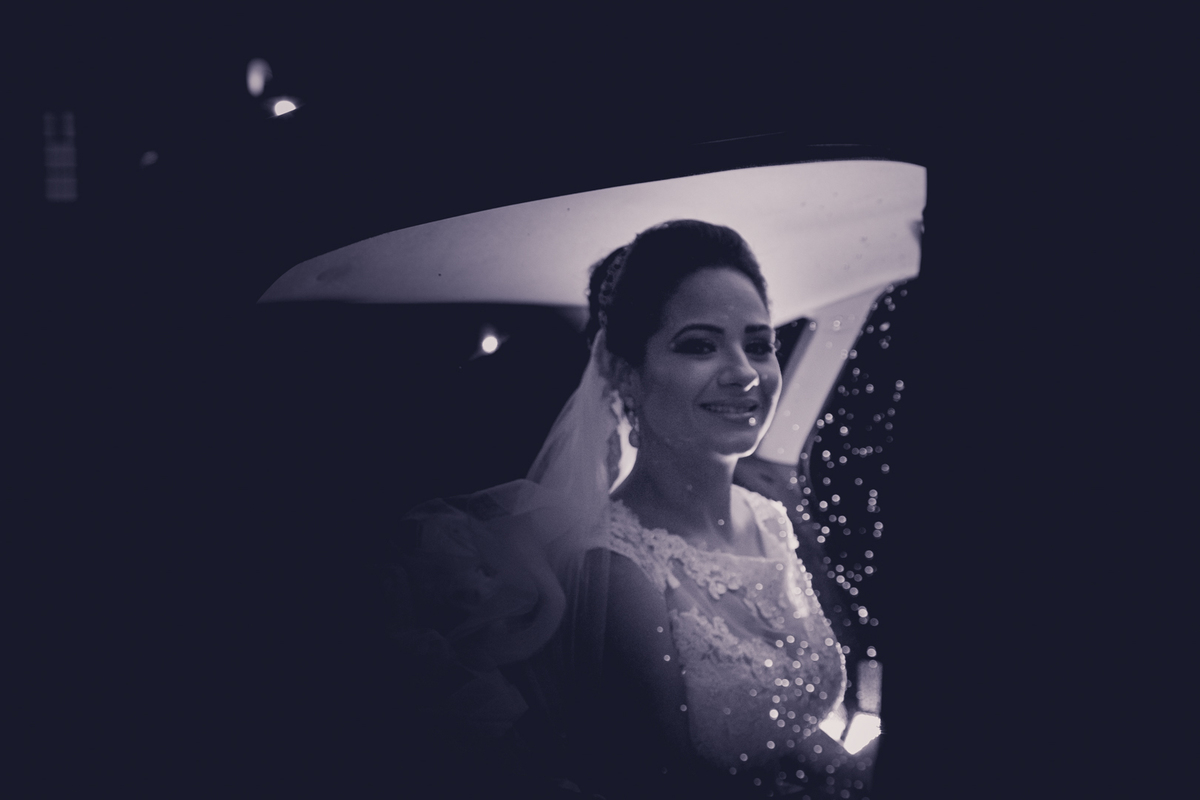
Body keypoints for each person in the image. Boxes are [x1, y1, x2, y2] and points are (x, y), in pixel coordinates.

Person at [388, 220, 847, 798]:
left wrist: (854, 771)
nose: (744, 373)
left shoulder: (770, 519)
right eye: (700, 345)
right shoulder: (617, 569)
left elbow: (788, 726)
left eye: (758, 345)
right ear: (628, 375)